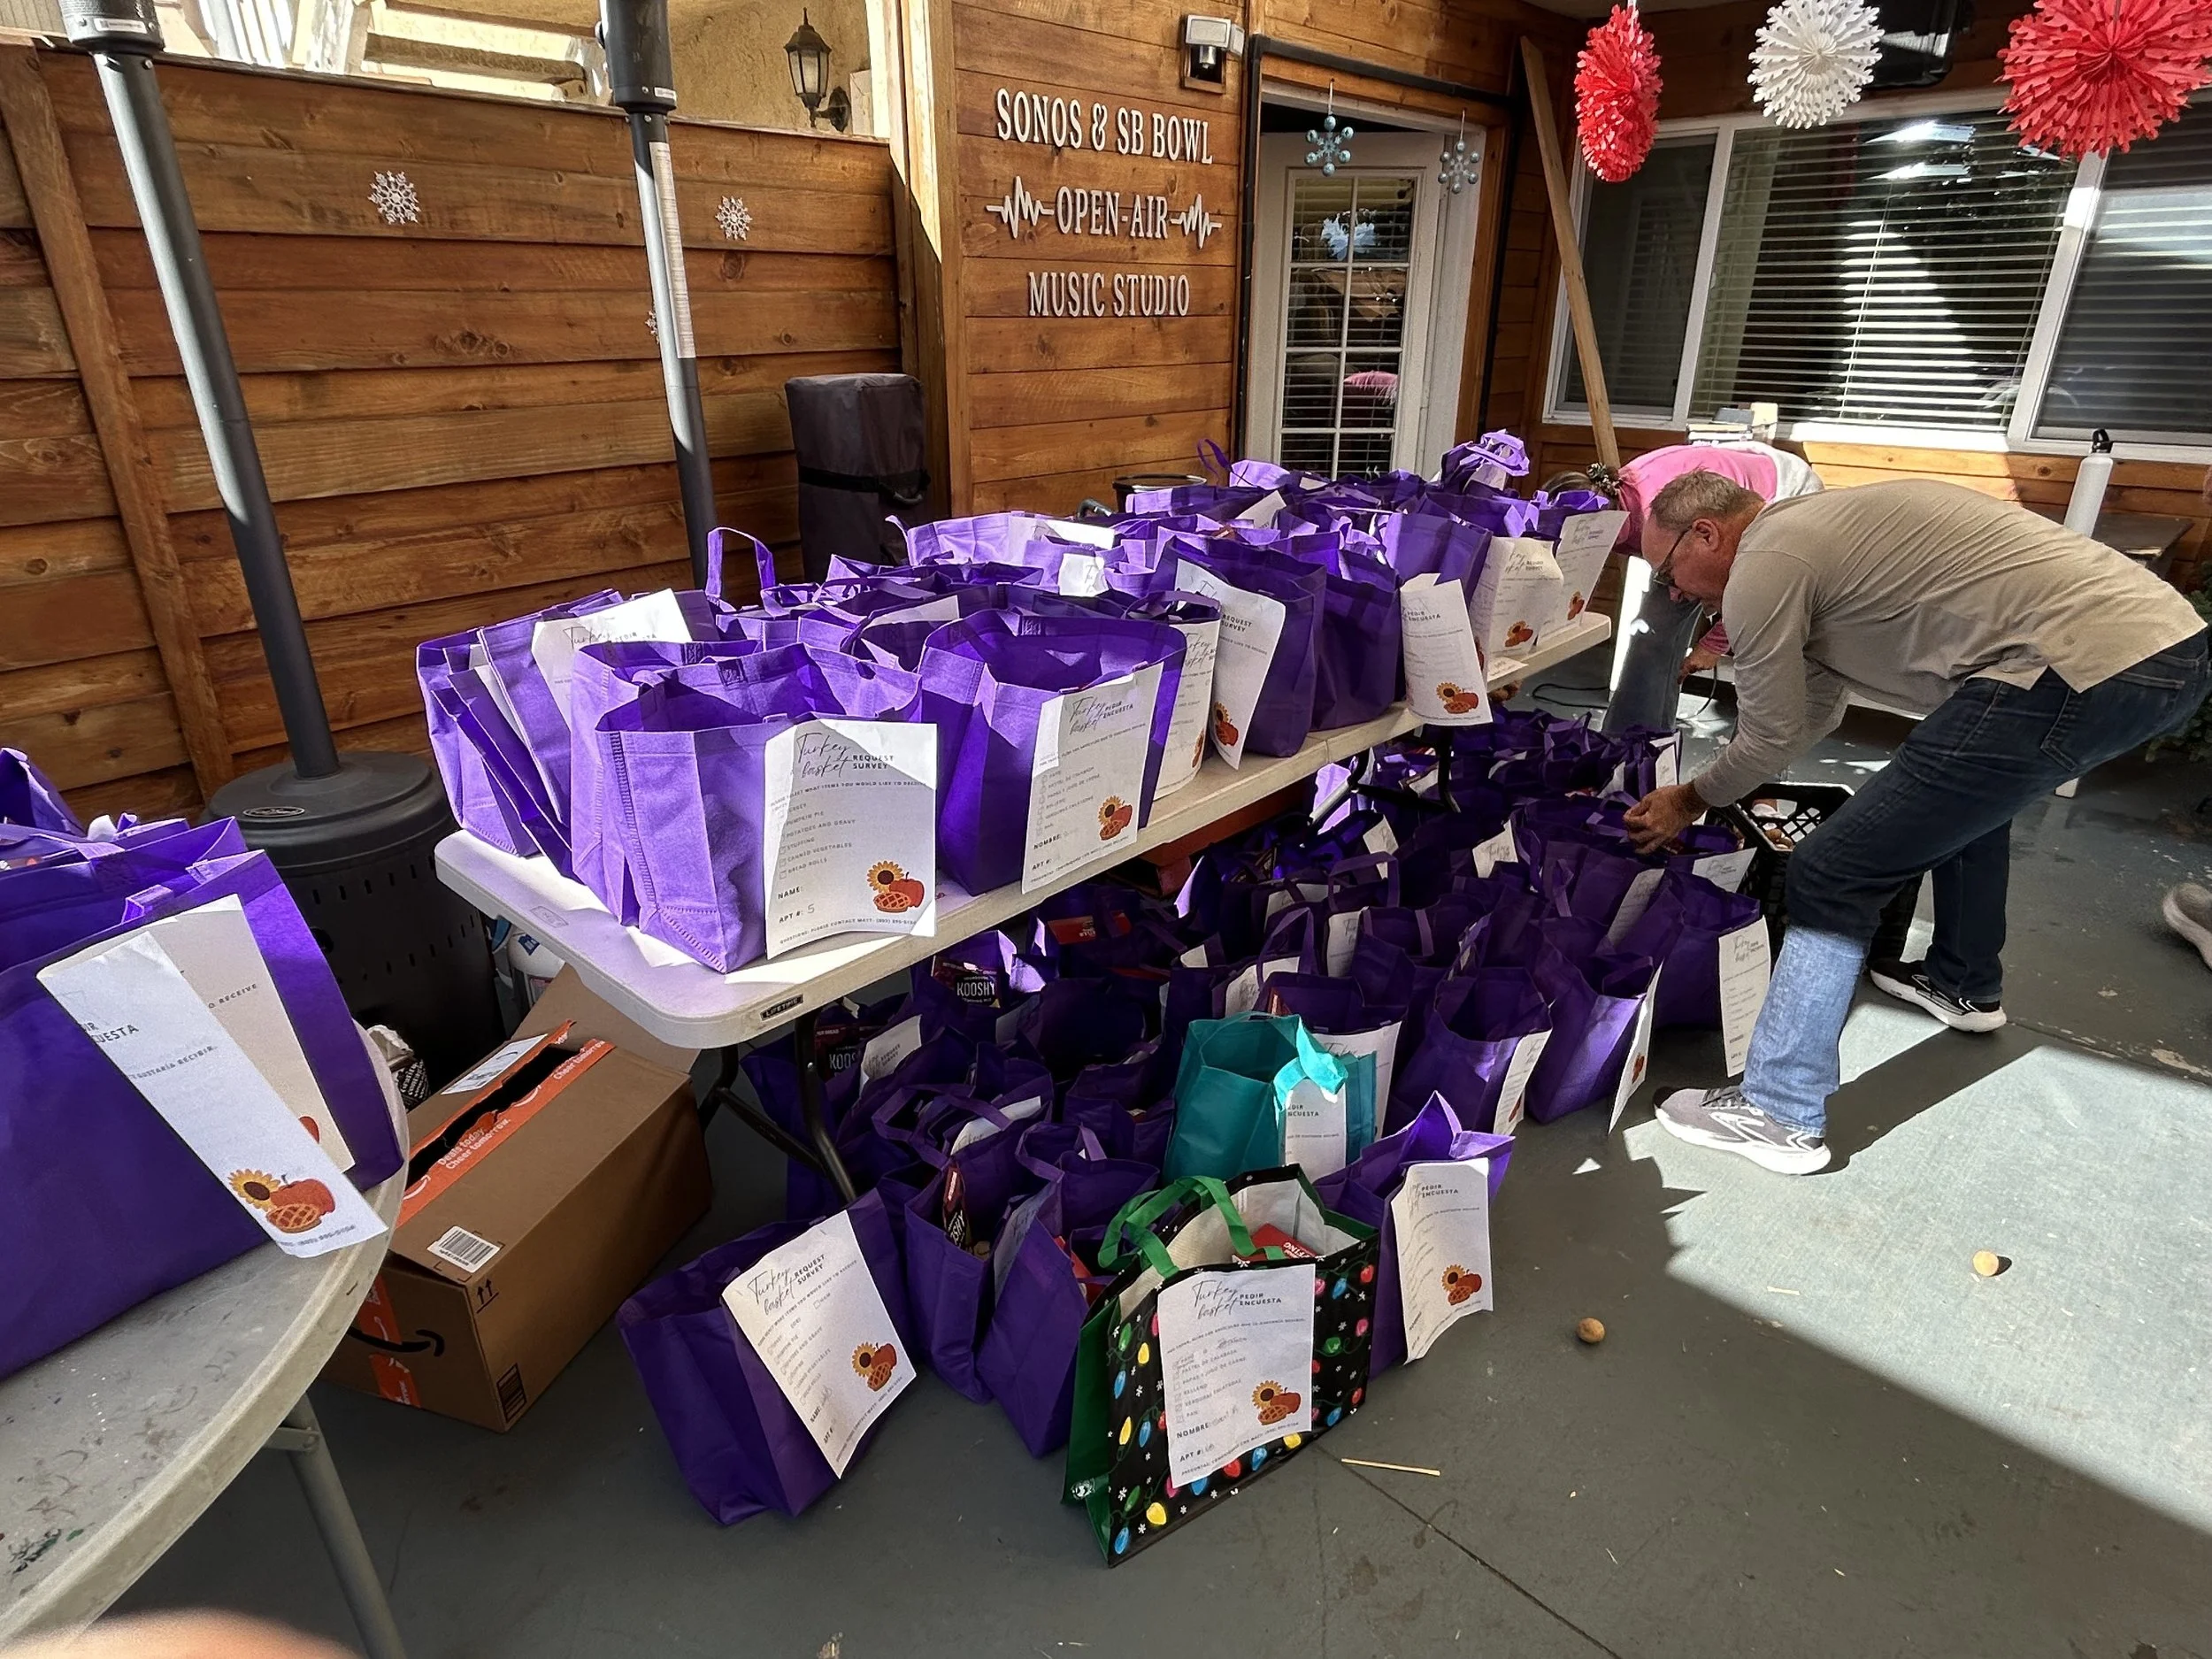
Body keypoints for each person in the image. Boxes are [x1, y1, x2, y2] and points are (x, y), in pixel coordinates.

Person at [1621, 472, 2209, 1175]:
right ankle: (1965, 982)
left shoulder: (1766, 562)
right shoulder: (1814, 535)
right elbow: (1815, 713)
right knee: (1967, 805)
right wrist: (1720, 783)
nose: (1676, 592)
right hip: (2170, 651)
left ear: (1707, 533)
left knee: (1833, 871)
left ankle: (1778, 1110)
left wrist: (1691, 798)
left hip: (2070, 667)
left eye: (1668, 570)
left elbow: (1771, 729)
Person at [1587, 441, 1824, 737]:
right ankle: (1632, 746)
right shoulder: (1619, 502)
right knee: (1651, 633)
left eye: (1668, 572)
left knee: (1761, 644)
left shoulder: (1767, 532)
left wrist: (1714, 644)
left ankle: (1753, 764)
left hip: (1784, 492)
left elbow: (1751, 598)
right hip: (1706, 507)